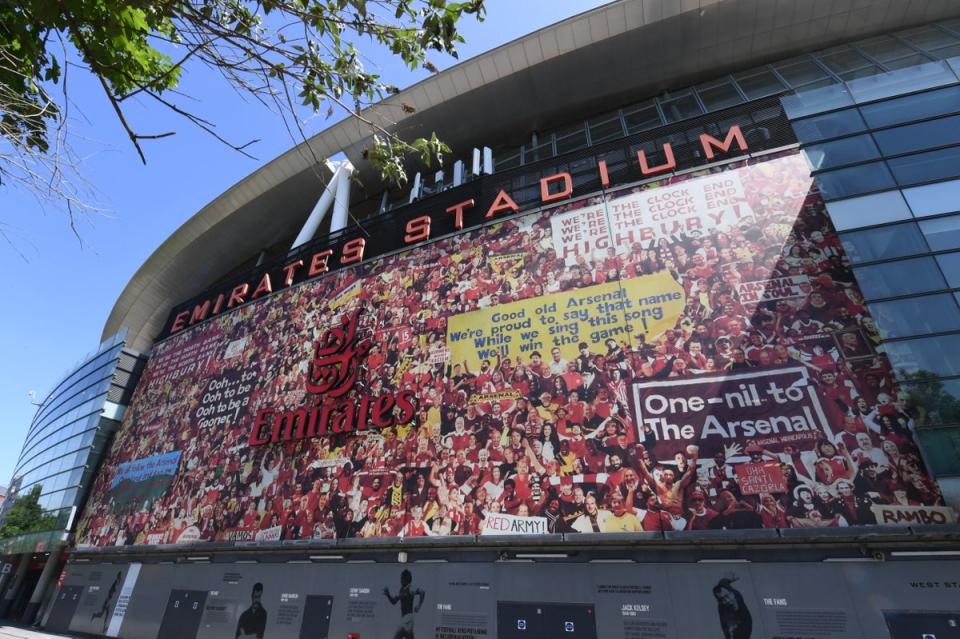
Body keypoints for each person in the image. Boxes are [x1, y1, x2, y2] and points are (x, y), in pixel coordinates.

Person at [383, 569, 426, 639]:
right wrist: (388, 595)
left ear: (406, 579)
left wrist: (419, 606)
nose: (400, 580)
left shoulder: (411, 588)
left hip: (408, 618)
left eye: (401, 578)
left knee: (397, 636)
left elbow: (422, 592)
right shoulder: (401, 589)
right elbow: (394, 601)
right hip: (405, 619)